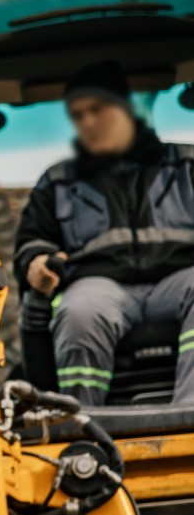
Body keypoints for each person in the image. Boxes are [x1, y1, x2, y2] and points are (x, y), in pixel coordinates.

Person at [14, 60, 194, 406]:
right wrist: (36, 263)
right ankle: (84, 423)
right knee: (78, 311)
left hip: (180, 279)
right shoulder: (58, 182)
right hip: (101, 286)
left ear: (126, 107)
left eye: (97, 109)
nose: (87, 123)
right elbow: (33, 242)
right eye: (78, 116)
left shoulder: (186, 165)